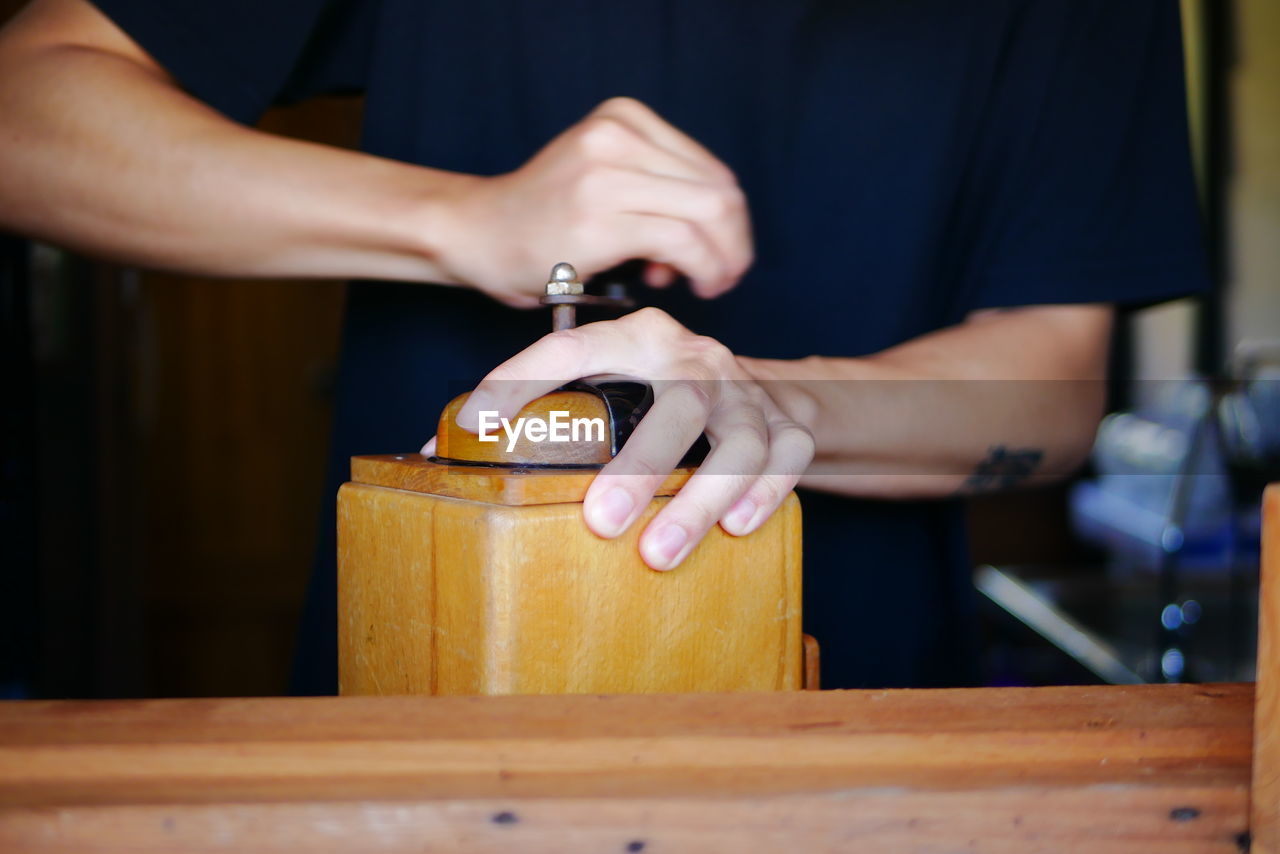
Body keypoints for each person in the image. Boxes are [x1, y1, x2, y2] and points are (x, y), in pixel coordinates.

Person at [0, 0, 1207, 690]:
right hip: (433, 693)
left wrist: (757, 401)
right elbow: (29, 107)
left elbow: (1051, 385)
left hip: (854, 725)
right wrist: (461, 220)